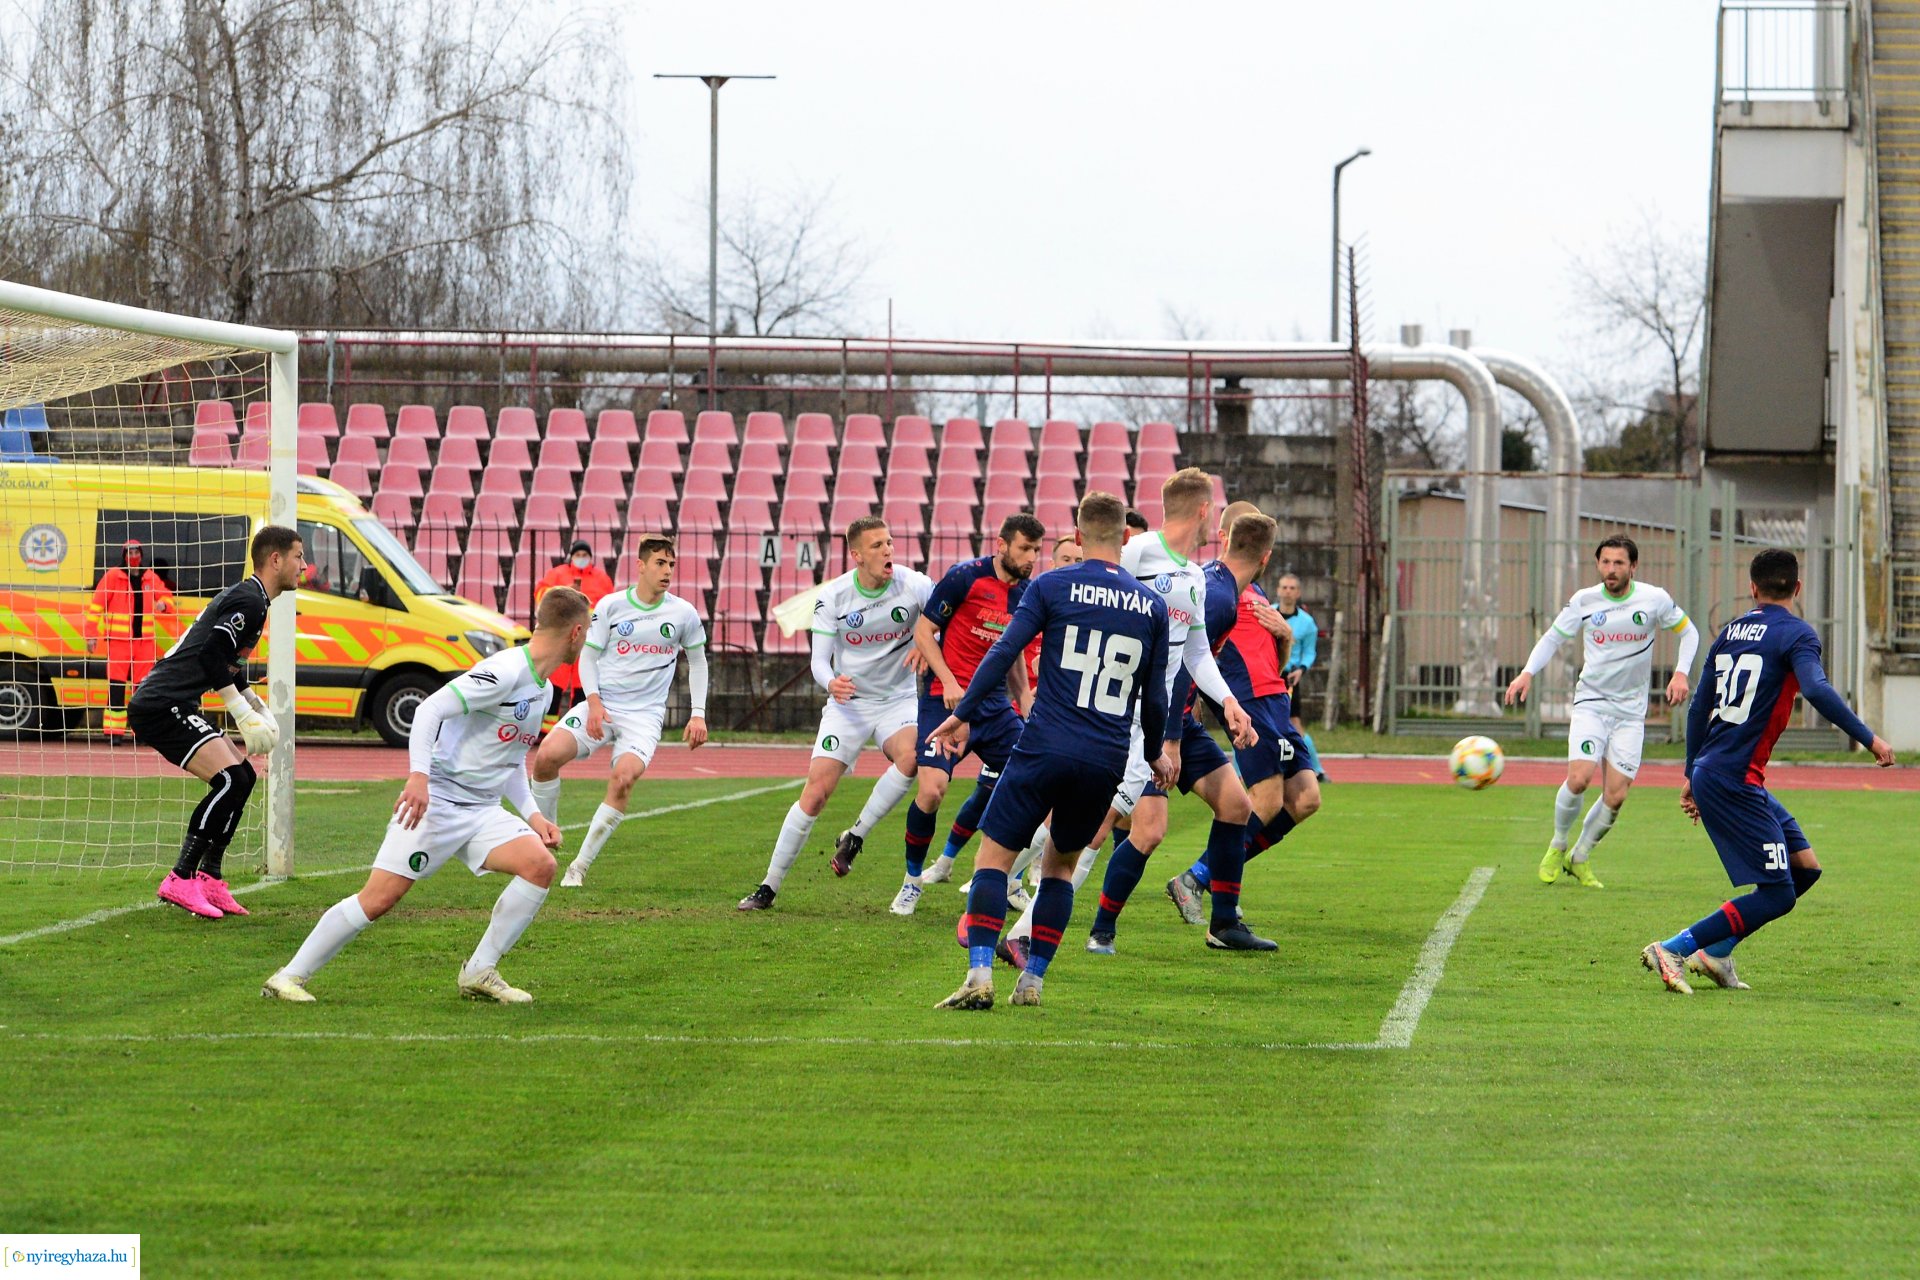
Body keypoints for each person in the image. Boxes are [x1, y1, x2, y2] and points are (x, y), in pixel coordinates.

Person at [262, 587, 593, 1003]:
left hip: (481, 809)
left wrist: (533, 816)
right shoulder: (506, 670)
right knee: (379, 898)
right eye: (589, 631)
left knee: (539, 865)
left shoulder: (542, 689)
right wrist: (419, 777)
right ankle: (288, 976)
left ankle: (480, 971)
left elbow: (509, 762)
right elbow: (428, 710)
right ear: (576, 632)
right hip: (437, 801)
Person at [926, 491, 1173, 1010]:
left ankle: (978, 975)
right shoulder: (1150, 605)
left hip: (1044, 744)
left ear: (1079, 538)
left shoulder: (1052, 583)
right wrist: (1154, 753)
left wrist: (962, 712)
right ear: (1126, 539)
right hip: (1104, 757)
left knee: (994, 857)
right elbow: (1156, 695)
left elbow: (1004, 652)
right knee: (1060, 868)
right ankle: (1033, 983)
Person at [1641, 549, 1894, 994]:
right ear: (1797, 588)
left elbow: (1701, 705)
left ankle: (1716, 955)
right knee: (1778, 893)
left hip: (1724, 772)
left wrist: (1690, 772)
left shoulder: (1731, 632)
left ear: (1753, 588)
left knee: (1805, 869)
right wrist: (1869, 738)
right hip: (1732, 778)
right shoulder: (1797, 635)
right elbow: (1815, 687)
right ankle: (1674, 947)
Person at [1086, 467, 1264, 954]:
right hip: (1133, 718)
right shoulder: (1138, 553)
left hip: (1174, 719)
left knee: (1236, 805)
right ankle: (1100, 930)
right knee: (1147, 830)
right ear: (1205, 511)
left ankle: (1224, 925)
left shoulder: (1193, 577)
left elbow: (1196, 653)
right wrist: (1167, 738)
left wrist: (1228, 701)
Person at [738, 516, 931, 911]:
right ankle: (768, 887)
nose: (888, 551)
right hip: (849, 705)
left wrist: (929, 642)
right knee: (816, 794)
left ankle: (855, 836)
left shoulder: (915, 585)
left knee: (911, 758)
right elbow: (819, 662)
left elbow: (945, 621)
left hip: (897, 700)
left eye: (890, 542)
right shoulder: (835, 596)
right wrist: (831, 683)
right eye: (877, 545)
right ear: (856, 555)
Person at [1505, 535, 1701, 890]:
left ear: (1633, 567)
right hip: (1591, 704)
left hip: (1630, 713)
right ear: (1598, 565)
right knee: (1579, 778)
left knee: (1616, 795)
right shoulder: (1585, 601)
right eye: (1606, 562)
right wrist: (1527, 673)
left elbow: (1689, 632)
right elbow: (1552, 637)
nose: (1611, 570)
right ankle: (1557, 844)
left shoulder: (1654, 599)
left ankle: (1579, 857)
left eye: (1619, 563)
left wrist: (1681, 672)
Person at [132, 526, 301, 920]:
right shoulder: (251, 601)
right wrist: (241, 715)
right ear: (275, 559)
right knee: (228, 780)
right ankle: (180, 877)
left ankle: (210, 877)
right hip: (161, 704)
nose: (304, 565)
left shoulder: (254, 598)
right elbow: (210, 657)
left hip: (175, 701)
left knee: (243, 778)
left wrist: (255, 702)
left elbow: (225, 658)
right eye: (298, 556)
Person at [1166, 506, 1323, 925]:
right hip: (1248, 702)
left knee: (1307, 799)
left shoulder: (1252, 594)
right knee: (1265, 800)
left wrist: (1285, 634)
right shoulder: (1214, 589)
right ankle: (1199, 880)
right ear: (1223, 536)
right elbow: (1196, 652)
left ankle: (1203, 877)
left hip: (1277, 702)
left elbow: (1277, 661)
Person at [527, 536, 709, 888]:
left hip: (644, 717)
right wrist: (594, 703)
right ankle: (545, 842)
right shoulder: (610, 606)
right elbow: (589, 657)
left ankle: (578, 867)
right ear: (640, 566)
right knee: (546, 756)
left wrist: (698, 713)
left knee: (623, 779)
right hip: (604, 705)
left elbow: (698, 662)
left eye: (671, 564)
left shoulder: (683, 613)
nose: (667, 570)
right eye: (660, 563)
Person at [894, 513, 1043, 915]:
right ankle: (911, 881)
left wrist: (1024, 697)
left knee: (1033, 783)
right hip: (945, 699)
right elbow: (923, 633)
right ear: (1002, 544)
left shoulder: (1028, 593)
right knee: (931, 791)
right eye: (1024, 548)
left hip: (994, 707)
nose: (1031, 557)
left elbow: (1010, 651)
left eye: (1036, 551)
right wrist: (950, 680)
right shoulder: (965, 578)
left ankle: (1001, 876)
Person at [85, 538, 174, 743]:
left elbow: (168, 598)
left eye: (137, 553)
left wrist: (163, 604)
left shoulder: (150, 577)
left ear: (141, 555)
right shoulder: (112, 577)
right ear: (124, 556)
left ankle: (140, 731)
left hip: (144, 644)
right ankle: (113, 733)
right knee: (116, 688)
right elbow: (95, 608)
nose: (134, 557)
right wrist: (91, 636)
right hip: (119, 642)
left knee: (142, 689)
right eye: (130, 554)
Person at [534, 540, 615, 732]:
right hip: (561, 635)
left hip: (588, 636)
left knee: (583, 683)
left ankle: (576, 728)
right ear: (571, 556)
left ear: (590, 557)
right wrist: (564, 591)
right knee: (554, 682)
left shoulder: (601, 579)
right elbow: (541, 595)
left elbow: (609, 607)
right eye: (577, 555)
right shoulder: (558, 574)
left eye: (584, 555)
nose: (580, 558)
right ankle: (546, 730)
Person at [1273, 572, 1327, 782]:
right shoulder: (1268, 613)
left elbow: (1310, 652)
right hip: (1268, 674)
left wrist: (1302, 669)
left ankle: (1315, 769)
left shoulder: (1307, 623)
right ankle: (1240, 771)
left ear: (1298, 593)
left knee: (1294, 723)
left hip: (1289, 677)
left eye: (1292, 588)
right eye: (1284, 587)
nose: (1287, 591)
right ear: (1278, 590)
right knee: (1257, 722)